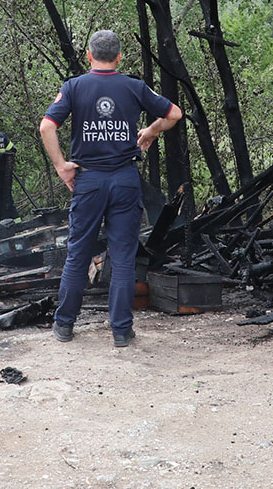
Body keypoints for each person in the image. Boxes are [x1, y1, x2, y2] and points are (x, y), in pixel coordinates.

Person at [40, 30, 182, 348]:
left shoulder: (74, 87)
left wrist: (62, 166)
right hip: (124, 180)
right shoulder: (133, 87)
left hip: (88, 181)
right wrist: (151, 130)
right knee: (123, 257)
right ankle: (121, 331)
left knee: (77, 254)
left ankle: (64, 325)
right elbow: (174, 113)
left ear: (89, 56)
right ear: (119, 58)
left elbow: (47, 126)